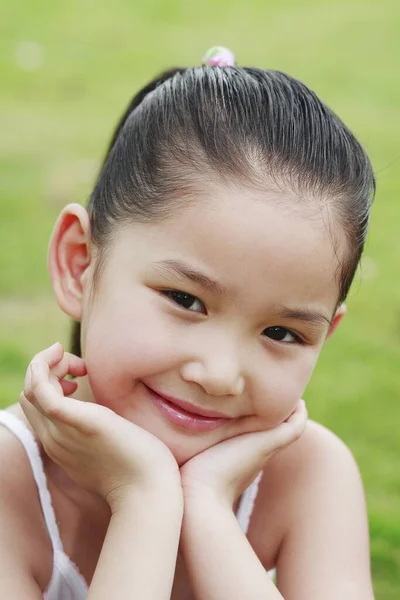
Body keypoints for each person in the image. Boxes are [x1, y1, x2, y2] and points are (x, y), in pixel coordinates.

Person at [0, 47, 376, 599]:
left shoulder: (311, 476)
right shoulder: (11, 484)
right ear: (81, 262)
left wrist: (207, 515)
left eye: (282, 333)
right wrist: (145, 497)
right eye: (185, 299)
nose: (220, 374)